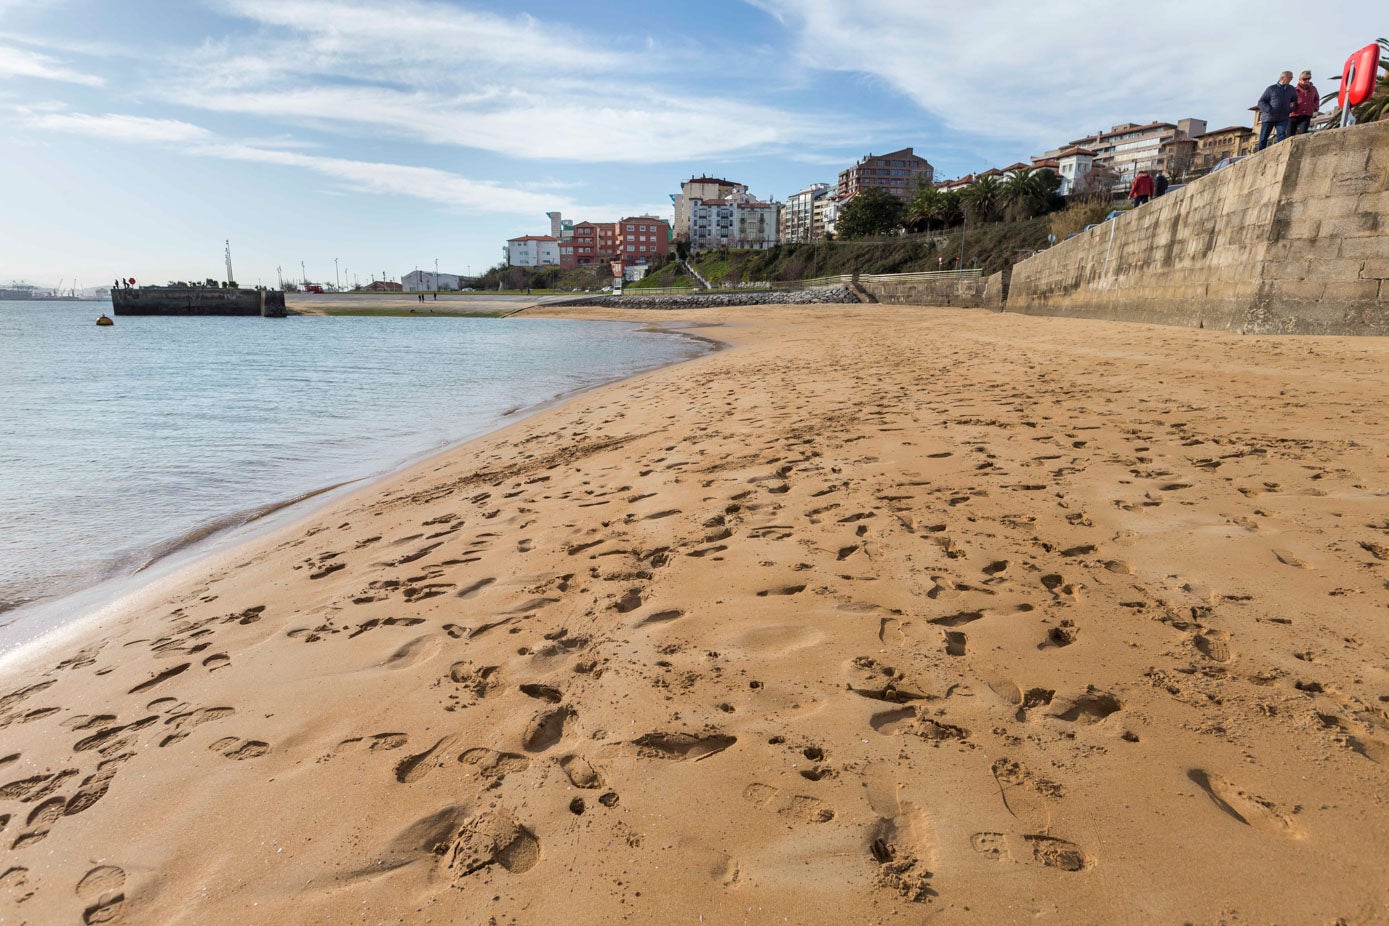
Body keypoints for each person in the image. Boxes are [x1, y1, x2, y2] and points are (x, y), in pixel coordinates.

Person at [1257, 71, 1299, 150]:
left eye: (1291, 77)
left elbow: (1295, 101)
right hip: (1269, 117)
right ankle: (1259, 155)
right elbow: (1261, 102)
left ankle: (1281, 152)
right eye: (1290, 77)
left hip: (1283, 117)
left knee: (1282, 135)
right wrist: (1269, 109)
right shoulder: (1271, 88)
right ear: (1283, 78)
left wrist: (1290, 109)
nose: (1291, 79)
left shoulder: (1291, 89)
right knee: (1263, 138)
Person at [1291, 70, 1320, 136]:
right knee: (1289, 135)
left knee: (1303, 134)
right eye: (1305, 79)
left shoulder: (1313, 89)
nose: (1307, 80)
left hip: (1306, 115)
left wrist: (1315, 109)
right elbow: (1289, 100)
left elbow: (1316, 99)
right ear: (1300, 80)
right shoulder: (1294, 89)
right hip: (1293, 115)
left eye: (1309, 78)